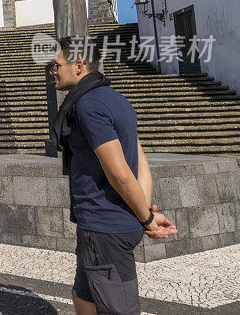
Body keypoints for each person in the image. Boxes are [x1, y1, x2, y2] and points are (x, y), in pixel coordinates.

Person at [50, 37, 177, 315]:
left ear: (79, 65)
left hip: (105, 226)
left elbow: (120, 174)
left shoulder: (88, 105)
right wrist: (144, 211)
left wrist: (145, 218)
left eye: (57, 65)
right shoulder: (118, 100)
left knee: (120, 309)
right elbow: (140, 161)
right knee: (83, 298)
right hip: (105, 224)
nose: (52, 71)